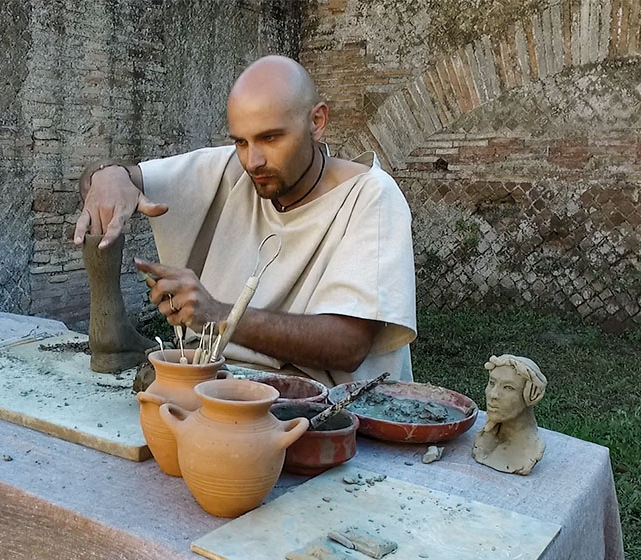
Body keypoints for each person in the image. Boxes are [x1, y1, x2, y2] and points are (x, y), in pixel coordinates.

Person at [72, 55, 416, 386]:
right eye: (240, 141)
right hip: (218, 383)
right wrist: (108, 177)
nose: (253, 160)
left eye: (271, 138)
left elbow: (347, 346)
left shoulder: (371, 196)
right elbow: (116, 178)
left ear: (317, 122)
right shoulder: (233, 170)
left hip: (330, 411)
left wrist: (219, 314)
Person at [472, 354, 548, 475]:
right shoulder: (483, 443)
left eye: (508, 388)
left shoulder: (529, 452)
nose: (493, 394)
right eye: (492, 383)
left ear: (530, 395)